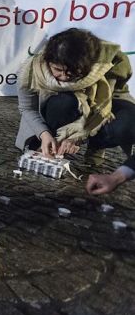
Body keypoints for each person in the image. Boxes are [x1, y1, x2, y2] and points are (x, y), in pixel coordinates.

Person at [15, 28, 135, 196]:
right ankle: (53, 141)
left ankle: (97, 145)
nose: (63, 77)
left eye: (72, 72)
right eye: (57, 69)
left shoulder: (106, 64)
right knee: (62, 104)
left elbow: (101, 106)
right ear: (47, 60)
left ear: (89, 67)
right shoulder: (32, 70)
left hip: (107, 103)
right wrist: (44, 134)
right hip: (67, 104)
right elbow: (27, 108)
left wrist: (77, 137)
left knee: (122, 126)